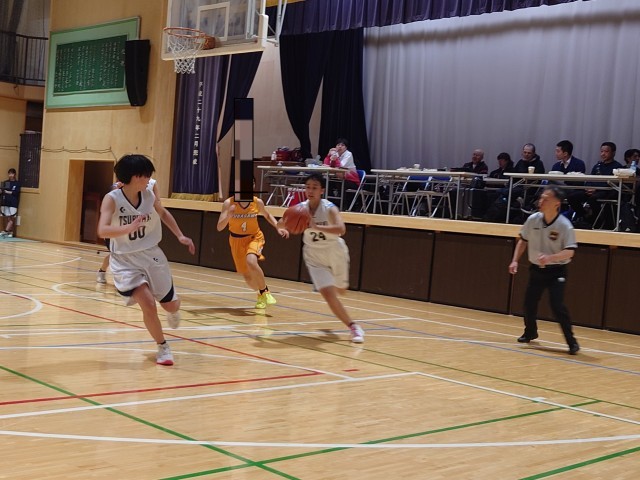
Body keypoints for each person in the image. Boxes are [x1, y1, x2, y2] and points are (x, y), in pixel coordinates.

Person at [97, 154, 195, 366]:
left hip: (151, 255)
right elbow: (102, 230)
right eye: (146, 175)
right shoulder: (112, 199)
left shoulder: (149, 194)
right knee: (148, 304)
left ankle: (173, 310)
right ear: (134, 177)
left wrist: (180, 235)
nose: (149, 178)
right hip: (124, 260)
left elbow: (163, 213)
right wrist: (129, 227)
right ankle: (163, 347)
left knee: (170, 306)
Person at [279, 173, 364, 343]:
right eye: (308, 187)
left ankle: (339, 291)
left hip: (334, 251)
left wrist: (316, 226)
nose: (310, 191)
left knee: (341, 290)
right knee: (328, 294)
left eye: (314, 187)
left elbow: (341, 229)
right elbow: (281, 222)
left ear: (322, 190)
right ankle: (353, 327)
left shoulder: (330, 208)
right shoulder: (300, 209)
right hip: (313, 255)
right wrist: (283, 227)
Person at [508, 185, 579, 355]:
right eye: (541, 198)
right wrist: (515, 260)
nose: (541, 201)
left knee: (557, 305)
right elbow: (523, 240)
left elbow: (570, 251)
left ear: (557, 203)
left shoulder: (564, 225)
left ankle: (572, 342)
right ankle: (530, 332)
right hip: (537, 270)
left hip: (557, 271)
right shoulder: (533, 219)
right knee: (529, 303)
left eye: (546, 199)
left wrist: (550, 258)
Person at [216, 188, 289, 309]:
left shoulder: (257, 202)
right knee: (248, 278)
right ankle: (260, 294)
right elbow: (219, 227)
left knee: (251, 261)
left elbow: (267, 215)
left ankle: (265, 291)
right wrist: (228, 215)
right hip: (236, 241)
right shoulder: (228, 203)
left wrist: (278, 227)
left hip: (254, 237)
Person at [568, 141, 623, 227]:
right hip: (592, 191)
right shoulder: (597, 166)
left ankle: (596, 221)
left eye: (606, 151)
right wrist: (588, 188)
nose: (603, 154)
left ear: (613, 153)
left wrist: (596, 189)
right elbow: (590, 179)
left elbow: (612, 184)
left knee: (593, 199)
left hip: (605, 192)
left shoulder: (617, 167)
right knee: (572, 197)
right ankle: (585, 215)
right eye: (601, 151)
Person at [97, 181, 124, 283]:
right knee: (114, 254)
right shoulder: (112, 197)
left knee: (123, 254)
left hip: (123, 233)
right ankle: (102, 271)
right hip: (111, 233)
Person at [1, 168, 21, 237]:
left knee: (12, 217)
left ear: (14, 174)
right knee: (7, 217)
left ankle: (6, 231)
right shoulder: (6, 182)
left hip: (13, 203)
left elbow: (15, 193)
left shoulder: (17, 183)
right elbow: (2, 191)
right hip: (6, 202)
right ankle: (10, 232)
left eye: (12, 174)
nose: (10, 175)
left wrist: (8, 192)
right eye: (9, 174)